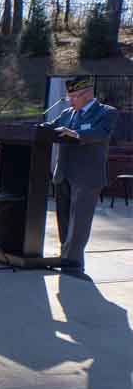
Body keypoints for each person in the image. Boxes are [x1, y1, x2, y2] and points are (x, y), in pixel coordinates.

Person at [45, 76, 118, 275]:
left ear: (88, 94)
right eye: (70, 96)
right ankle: (66, 258)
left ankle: (72, 263)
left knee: (79, 223)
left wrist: (76, 134)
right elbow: (50, 128)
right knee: (64, 221)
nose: (71, 101)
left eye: (75, 96)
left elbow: (101, 133)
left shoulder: (106, 112)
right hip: (64, 174)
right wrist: (38, 130)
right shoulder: (68, 113)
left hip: (87, 177)